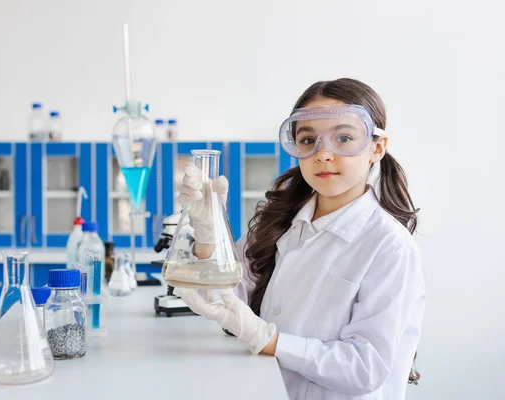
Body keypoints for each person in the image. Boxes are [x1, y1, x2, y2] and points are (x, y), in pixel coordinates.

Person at [174, 78, 426, 400]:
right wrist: (209, 236)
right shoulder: (279, 221)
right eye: (308, 140)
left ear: (376, 147)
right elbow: (224, 301)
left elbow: (365, 368)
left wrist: (268, 339)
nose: (323, 154)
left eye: (344, 138)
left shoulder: (389, 245)